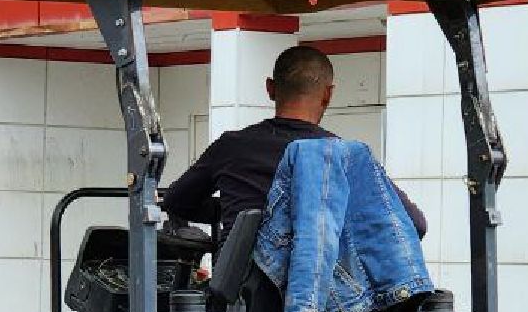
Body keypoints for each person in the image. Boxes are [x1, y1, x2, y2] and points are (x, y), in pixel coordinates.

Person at [161, 45, 427, 240]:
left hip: (241, 297)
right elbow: (415, 224)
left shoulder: (232, 146)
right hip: (329, 303)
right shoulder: (347, 157)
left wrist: (232, 210)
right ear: (328, 94)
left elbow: (175, 200)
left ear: (270, 88)